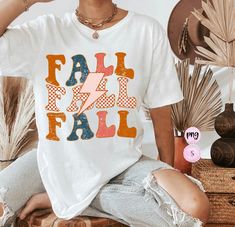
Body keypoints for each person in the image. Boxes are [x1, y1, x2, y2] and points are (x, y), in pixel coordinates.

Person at [0, 0, 210, 226]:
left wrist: (163, 178)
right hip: (53, 163)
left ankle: (75, 200)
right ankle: (70, 196)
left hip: (124, 166)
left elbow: (162, 119)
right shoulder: (45, 32)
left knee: (194, 206)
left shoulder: (145, 32)